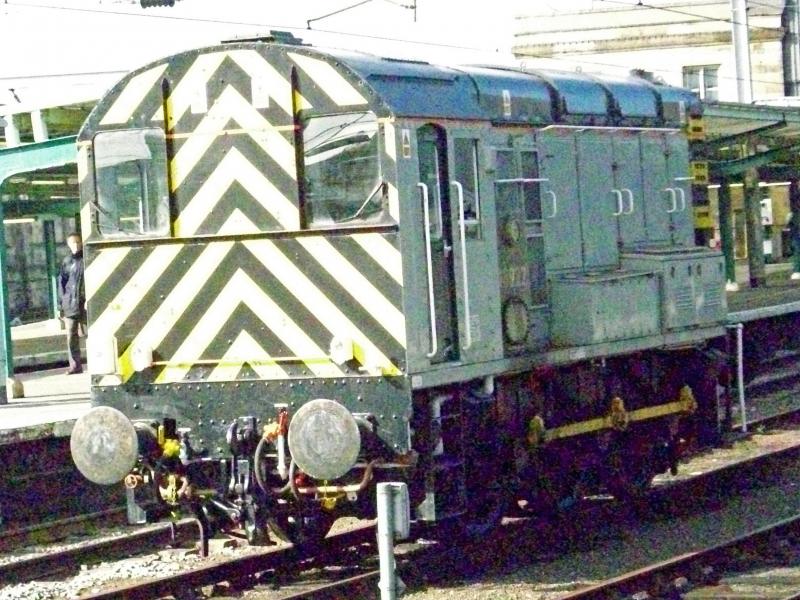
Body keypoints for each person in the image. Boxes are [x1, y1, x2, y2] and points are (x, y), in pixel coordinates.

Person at [58, 232, 85, 374]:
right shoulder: (67, 262)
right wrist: (60, 305)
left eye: (78, 242)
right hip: (70, 304)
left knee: (89, 333)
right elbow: (61, 283)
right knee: (71, 335)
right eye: (73, 243)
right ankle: (75, 366)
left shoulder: (87, 259)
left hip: (84, 303)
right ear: (69, 245)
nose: (75, 245)